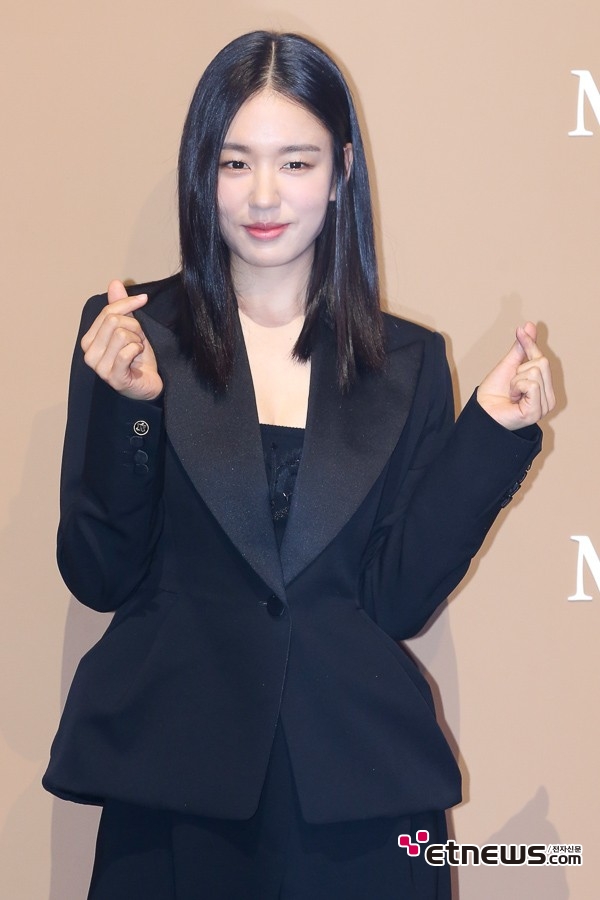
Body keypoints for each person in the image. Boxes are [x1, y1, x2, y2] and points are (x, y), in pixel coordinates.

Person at [43, 30, 555, 900]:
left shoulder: (408, 363)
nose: (264, 195)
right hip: (175, 792)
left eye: (296, 162)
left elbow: (396, 601)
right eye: (235, 163)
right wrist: (131, 407)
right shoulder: (133, 333)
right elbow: (99, 575)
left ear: (342, 170)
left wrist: (491, 434)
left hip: (360, 806)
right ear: (201, 170)